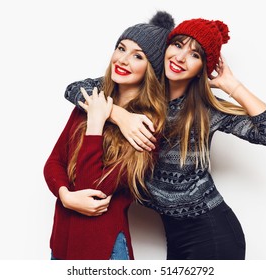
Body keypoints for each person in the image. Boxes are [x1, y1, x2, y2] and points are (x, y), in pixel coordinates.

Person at [64, 18, 266, 259]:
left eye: (195, 55)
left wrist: (232, 85)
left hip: (212, 233)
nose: (181, 57)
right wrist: (119, 115)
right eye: (178, 45)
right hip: (173, 232)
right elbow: (73, 89)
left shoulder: (205, 112)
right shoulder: (137, 92)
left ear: (202, 68)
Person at [43, 11, 175, 260]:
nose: (123, 60)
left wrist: (96, 122)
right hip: (62, 243)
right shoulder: (92, 101)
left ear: (151, 69)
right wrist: (65, 196)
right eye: (121, 48)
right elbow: (53, 162)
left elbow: (93, 187)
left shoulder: (147, 126)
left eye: (137, 56)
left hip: (104, 251)